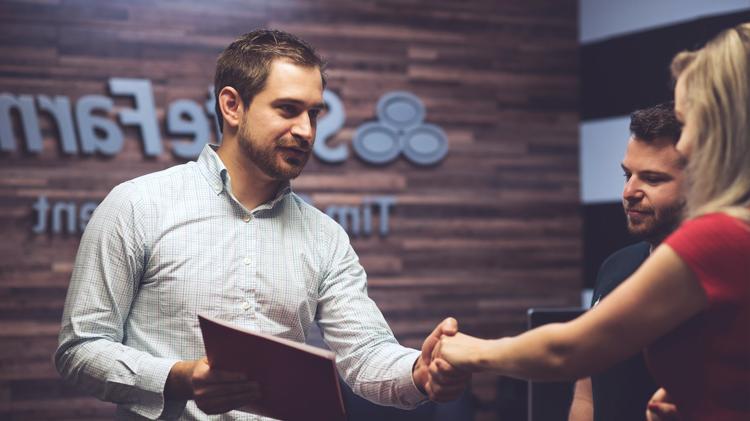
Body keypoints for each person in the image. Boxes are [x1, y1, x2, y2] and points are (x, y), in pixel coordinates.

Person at [55, 29, 469, 420]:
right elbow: (81, 348)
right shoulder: (137, 205)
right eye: (288, 109)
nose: (306, 131)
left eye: (314, 114)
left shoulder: (326, 237)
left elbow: (366, 353)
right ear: (232, 105)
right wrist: (179, 377)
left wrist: (419, 369)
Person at [434, 23, 750, 421]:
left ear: (726, 129)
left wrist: (469, 351)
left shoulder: (721, 238)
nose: (684, 144)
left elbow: (566, 350)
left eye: (691, 126)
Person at [568, 102, 684, 421]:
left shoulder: (727, 279)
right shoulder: (616, 265)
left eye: (652, 178)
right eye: (627, 174)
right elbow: (587, 388)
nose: (629, 191)